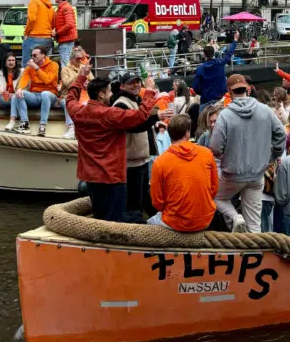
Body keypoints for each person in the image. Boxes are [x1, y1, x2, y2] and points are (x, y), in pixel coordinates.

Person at [66, 64, 159, 222]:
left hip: (90, 175)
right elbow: (141, 116)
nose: (112, 94)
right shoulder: (110, 114)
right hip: (112, 176)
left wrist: (81, 76)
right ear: (101, 94)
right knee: (116, 221)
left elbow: (70, 97)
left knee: (99, 217)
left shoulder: (77, 111)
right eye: (109, 91)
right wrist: (149, 91)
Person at [210, 74, 286, 233]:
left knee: (215, 196)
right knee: (254, 225)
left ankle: (235, 217)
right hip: (257, 175)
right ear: (248, 89)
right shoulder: (264, 110)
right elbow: (281, 134)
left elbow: (215, 148)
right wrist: (273, 156)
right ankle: (255, 254)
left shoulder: (225, 115)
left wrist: (226, 155)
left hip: (232, 174)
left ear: (230, 91)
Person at [148, 113, 221, 232]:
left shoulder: (160, 162)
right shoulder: (207, 154)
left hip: (174, 221)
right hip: (204, 219)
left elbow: (157, 202)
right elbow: (214, 189)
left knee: (148, 224)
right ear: (187, 133)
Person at [113, 72, 162, 216]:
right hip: (130, 163)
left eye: (137, 81)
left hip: (141, 159)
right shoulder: (121, 104)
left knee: (142, 199)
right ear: (122, 86)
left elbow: (142, 122)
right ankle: (135, 229)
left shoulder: (136, 100)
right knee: (133, 203)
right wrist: (155, 117)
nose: (136, 85)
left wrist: (156, 122)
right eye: (131, 82)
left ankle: (143, 224)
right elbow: (134, 126)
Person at [8, 45, 60, 136]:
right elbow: (24, 78)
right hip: (35, 95)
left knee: (45, 94)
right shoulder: (30, 67)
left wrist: (36, 68)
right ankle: (24, 124)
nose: (32, 57)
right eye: (32, 55)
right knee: (20, 93)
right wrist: (19, 88)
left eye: (35, 55)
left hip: (51, 95)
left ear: (43, 55)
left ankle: (42, 125)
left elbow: (47, 80)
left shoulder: (53, 65)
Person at [191, 31, 239, 108]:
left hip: (205, 101)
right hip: (219, 100)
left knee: (202, 119)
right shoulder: (220, 63)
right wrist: (235, 40)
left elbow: (195, 87)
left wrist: (203, 93)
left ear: (204, 55)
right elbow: (229, 54)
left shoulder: (200, 69)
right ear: (214, 53)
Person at [59, 45, 92, 138]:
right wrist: (79, 75)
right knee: (68, 103)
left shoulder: (84, 68)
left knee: (90, 105)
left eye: (82, 59)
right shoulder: (65, 69)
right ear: (72, 59)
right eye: (78, 59)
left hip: (84, 95)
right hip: (67, 95)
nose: (81, 61)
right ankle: (71, 128)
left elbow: (93, 82)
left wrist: (88, 83)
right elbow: (67, 84)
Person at [22, 0, 54, 66]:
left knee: (27, 64)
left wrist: (26, 32)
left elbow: (32, 19)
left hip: (34, 37)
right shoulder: (50, 6)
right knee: (44, 65)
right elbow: (53, 22)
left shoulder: (34, 1)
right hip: (48, 38)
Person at [52, 0, 77, 67]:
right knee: (66, 63)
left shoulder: (65, 8)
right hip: (65, 39)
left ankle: (66, 79)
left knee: (65, 64)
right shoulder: (62, 8)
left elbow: (69, 24)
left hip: (66, 40)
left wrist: (57, 33)